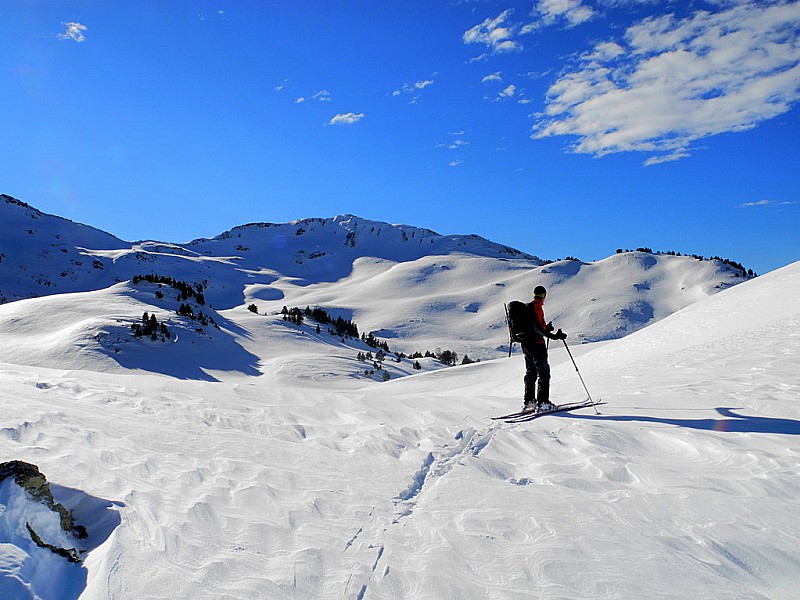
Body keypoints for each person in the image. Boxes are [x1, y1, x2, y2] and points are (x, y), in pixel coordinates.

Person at [520, 285, 566, 412]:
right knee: (544, 373)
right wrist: (553, 335)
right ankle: (543, 402)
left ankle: (529, 401)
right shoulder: (537, 306)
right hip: (537, 344)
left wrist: (546, 329)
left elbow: (535, 326)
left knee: (531, 373)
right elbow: (537, 328)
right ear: (544, 295)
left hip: (526, 344)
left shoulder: (527, 307)